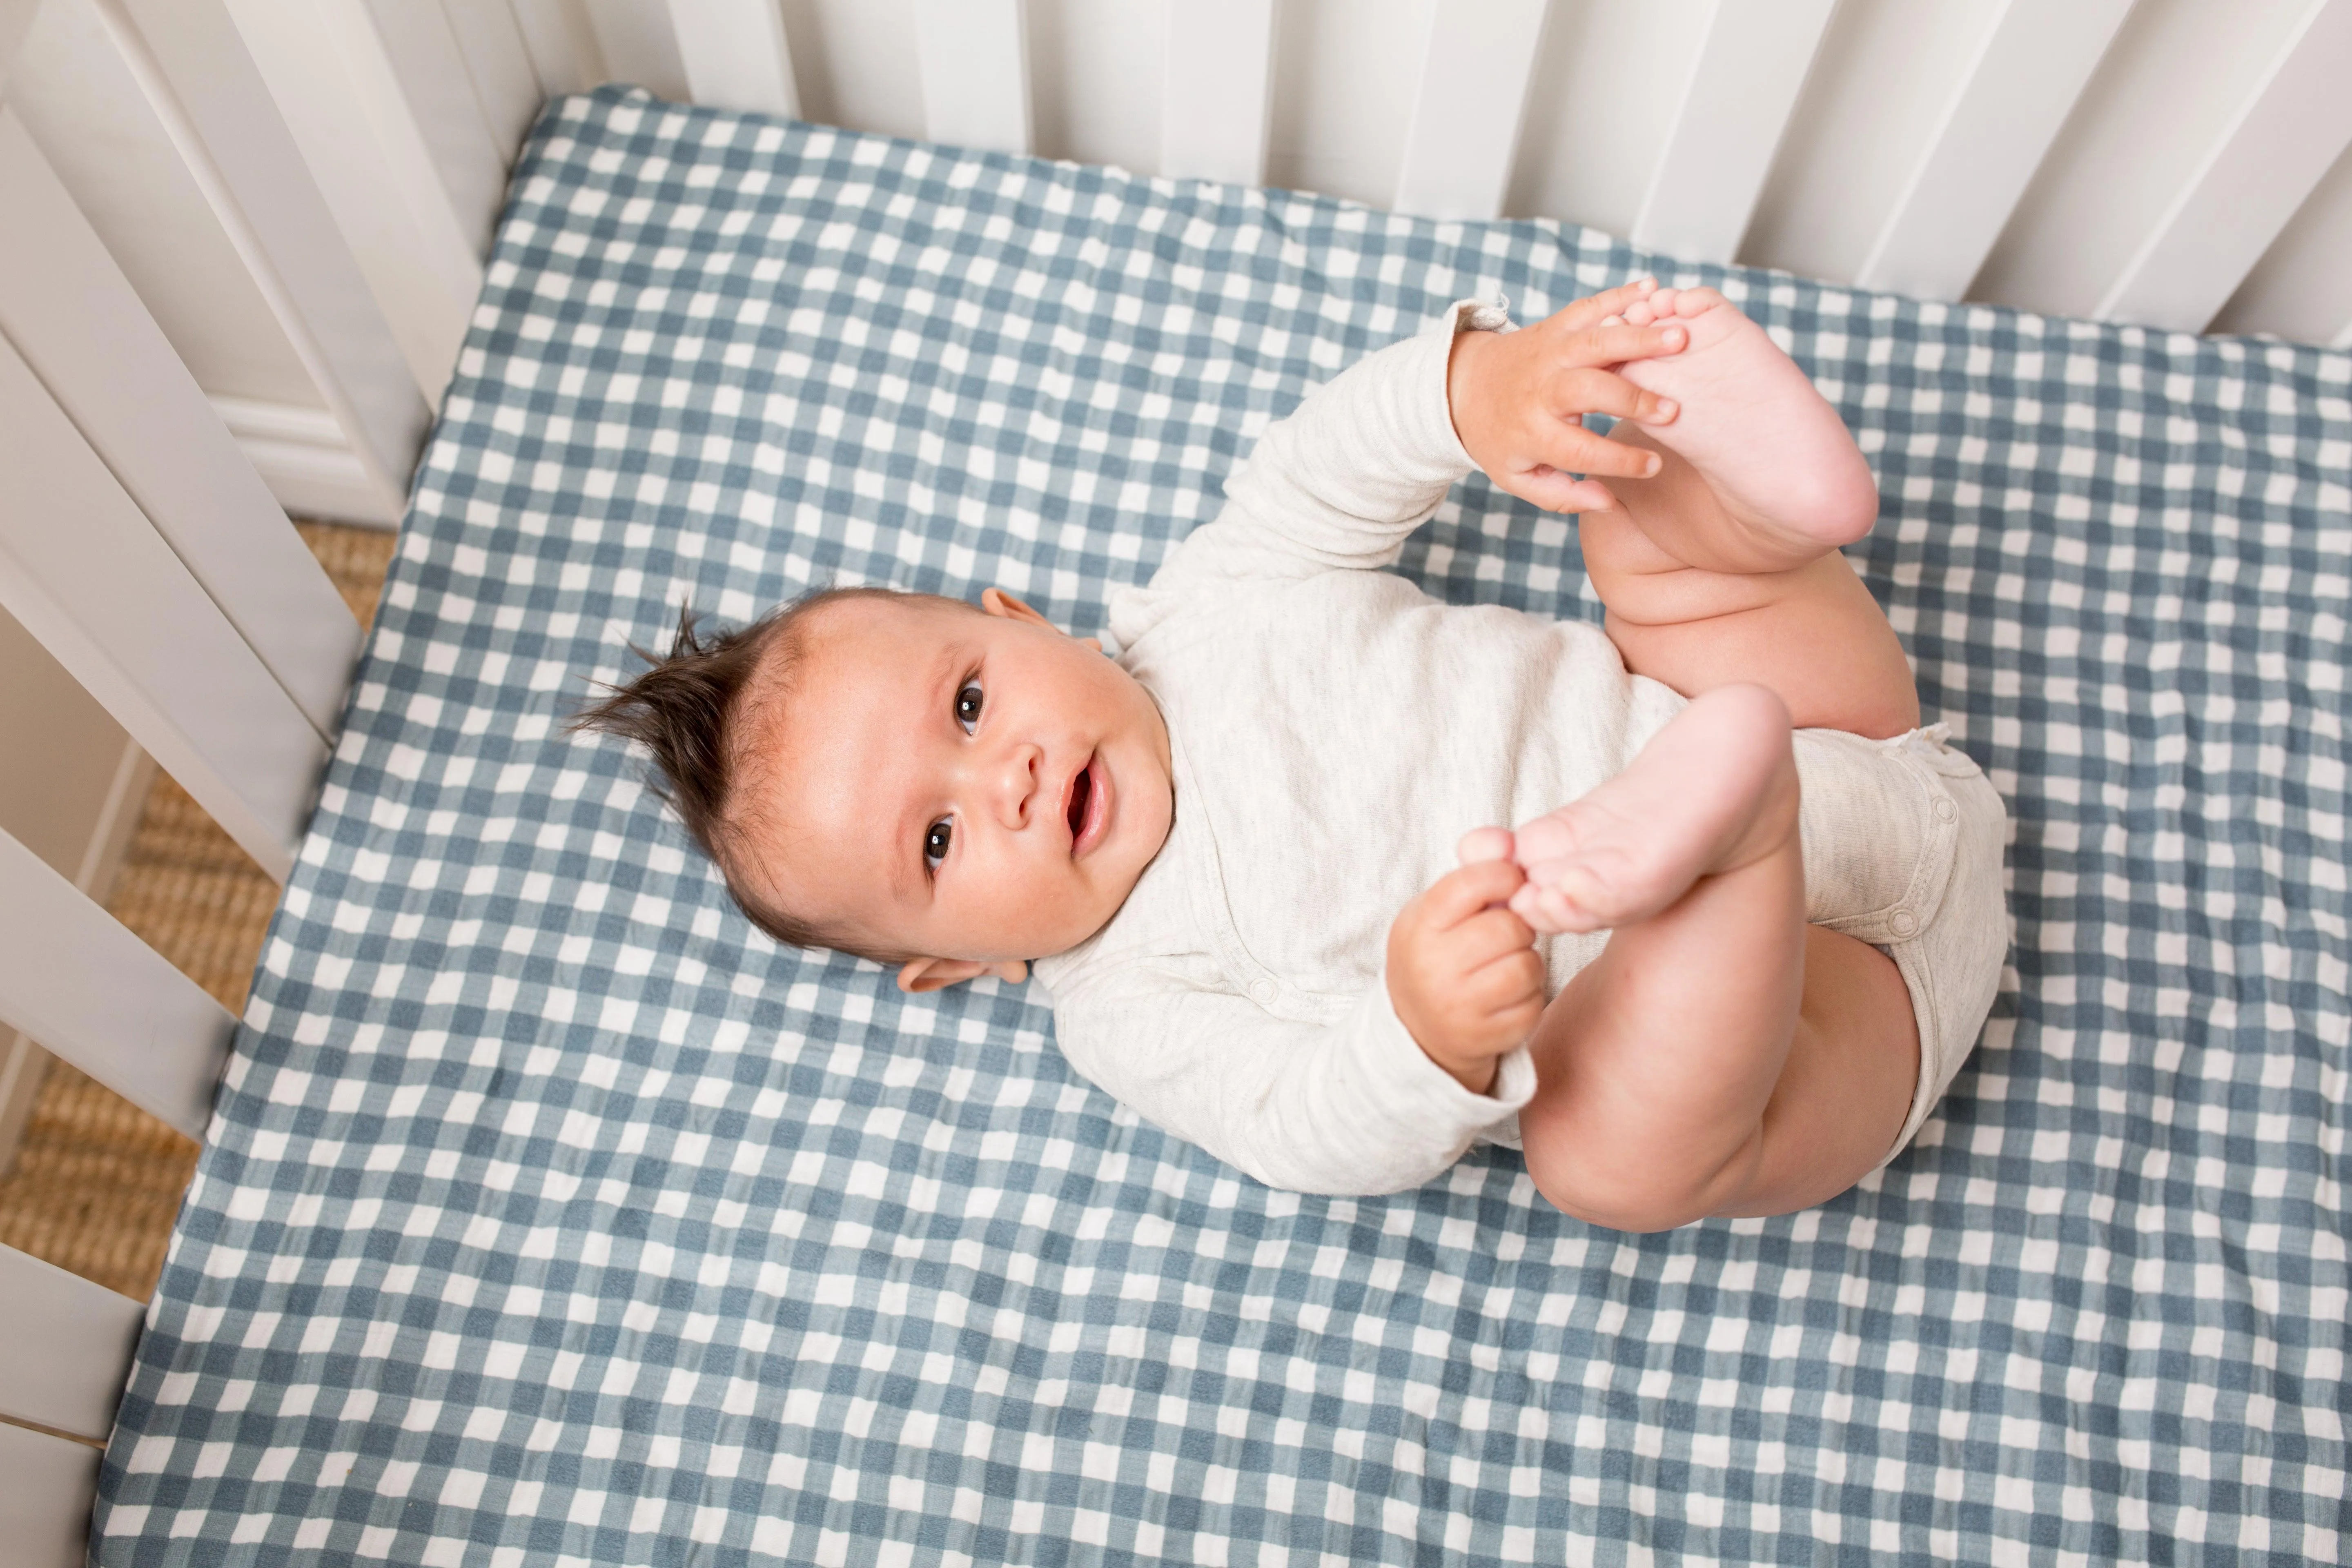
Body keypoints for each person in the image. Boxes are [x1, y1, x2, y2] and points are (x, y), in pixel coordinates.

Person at [575, 279, 2007, 1230]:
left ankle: (1754, 518)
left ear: (1022, 619)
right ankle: (1729, 826)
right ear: (959, 966)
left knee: (1649, 551)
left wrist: (1481, 392)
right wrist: (1419, 1035)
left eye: (965, 706)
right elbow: (1300, 1124)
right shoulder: (1126, 1005)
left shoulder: (1209, 603)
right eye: (938, 846)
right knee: (1604, 1157)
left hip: (1854, 746)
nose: (1000, 778)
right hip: (1834, 1027)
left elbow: (1329, 460)